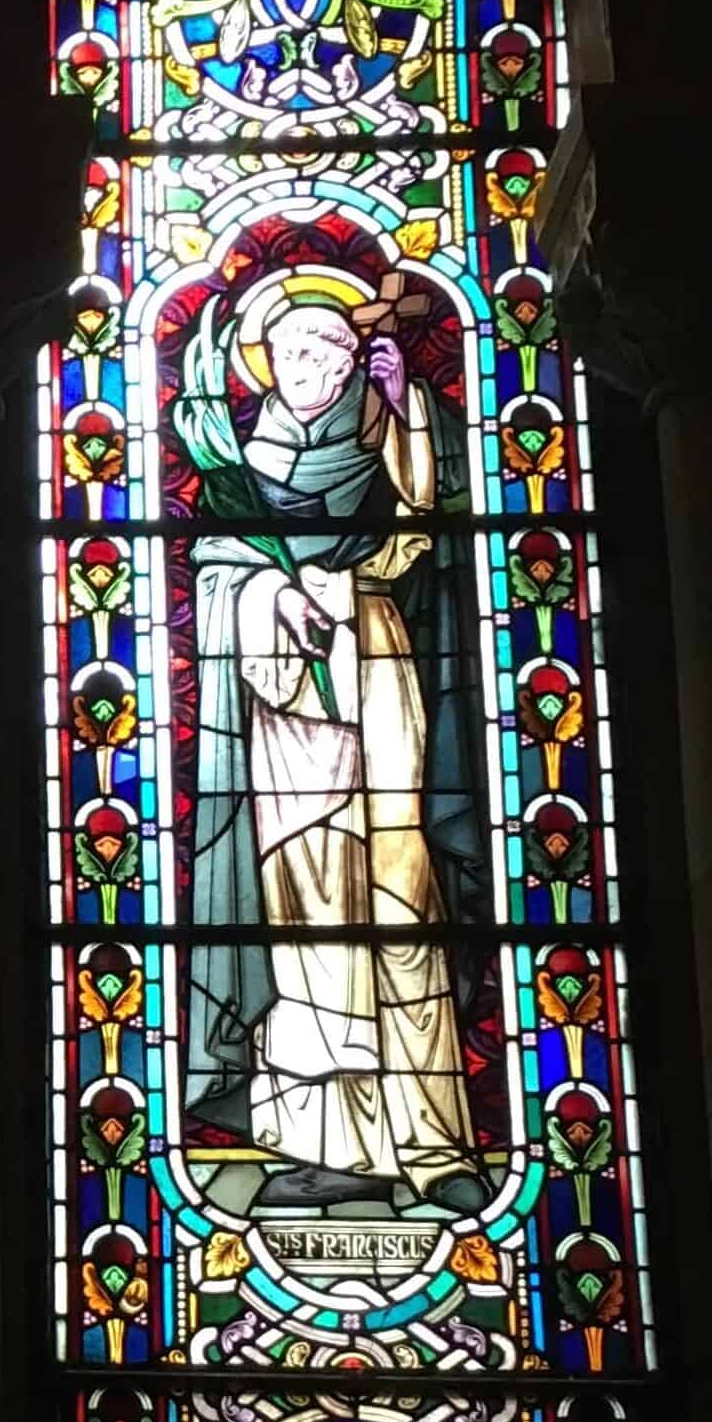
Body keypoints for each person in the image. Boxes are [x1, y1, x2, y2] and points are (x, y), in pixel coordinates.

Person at [182, 272, 487, 1214]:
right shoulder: (242, 465)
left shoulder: (385, 443)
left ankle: (431, 1138)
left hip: (379, 681)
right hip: (285, 720)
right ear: (263, 360)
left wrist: (406, 413)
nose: (314, 365)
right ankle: (322, 1137)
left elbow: (430, 526)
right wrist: (273, 595)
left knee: (399, 897)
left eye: (334, 350)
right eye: (296, 348)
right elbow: (218, 573)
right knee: (307, 912)